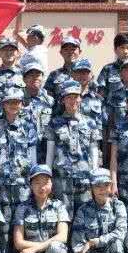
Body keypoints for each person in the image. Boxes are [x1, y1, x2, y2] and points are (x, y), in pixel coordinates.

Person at [0, 87, 40, 238]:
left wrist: (35, 182)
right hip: (1, 186)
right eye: (9, 102)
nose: (13, 105)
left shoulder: (28, 127)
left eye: (17, 102)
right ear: (3, 105)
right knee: (3, 225)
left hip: (23, 185)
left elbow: (33, 155)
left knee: (23, 223)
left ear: (22, 104)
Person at [9, 164, 72, 253]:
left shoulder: (59, 206)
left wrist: (34, 248)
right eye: (37, 182)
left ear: (51, 184)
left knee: (56, 247)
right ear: (30, 185)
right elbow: (18, 242)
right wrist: (37, 249)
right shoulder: (22, 208)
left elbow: (62, 236)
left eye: (46, 182)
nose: (42, 187)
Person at [70, 169, 127, 253]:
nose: (102, 189)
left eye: (106, 185)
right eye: (97, 186)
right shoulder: (83, 210)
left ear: (111, 186)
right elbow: (77, 243)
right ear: (91, 188)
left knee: (117, 244)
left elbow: (120, 232)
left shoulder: (118, 206)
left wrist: (95, 242)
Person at [46, 81, 102, 218]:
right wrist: (48, 177)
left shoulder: (90, 122)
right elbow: (50, 153)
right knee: (62, 216)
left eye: (76, 97)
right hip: (61, 179)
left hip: (84, 178)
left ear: (80, 99)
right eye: (69, 97)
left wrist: (94, 175)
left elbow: (94, 150)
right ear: (63, 100)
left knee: (84, 216)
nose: (73, 101)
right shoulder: (54, 123)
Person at [20, 58, 54, 141]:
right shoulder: (17, 99)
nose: (35, 78)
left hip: (45, 146)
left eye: (38, 75)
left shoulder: (50, 101)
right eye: (31, 75)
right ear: (24, 79)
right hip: (22, 146)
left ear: (42, 78)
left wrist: (51, 147)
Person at [97, 33, 128, 103]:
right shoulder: (107, 69)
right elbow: (100, 95)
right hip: (113, 109)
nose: (125, 51)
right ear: (115, 50)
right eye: (122, 48)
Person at [44, 34, 81, 105]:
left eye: (73, 49)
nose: (70, 52)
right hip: (59, 111)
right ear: (61, 52)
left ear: (80, 52)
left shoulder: (85, 73)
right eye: (66, 49)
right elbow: (47, 97)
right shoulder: (54, 75)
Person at [71, 59, 107, 129]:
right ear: (72, 75)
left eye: (85, 72)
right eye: (79, 72)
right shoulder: (65, 98)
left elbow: (104, 125)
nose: (82, 75)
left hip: (93, 135)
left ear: (91, 75)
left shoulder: (99, 99)